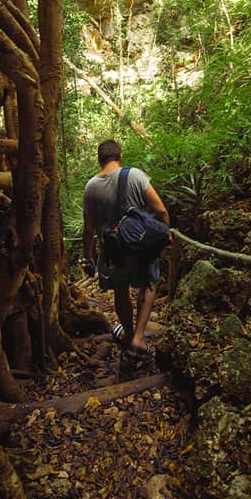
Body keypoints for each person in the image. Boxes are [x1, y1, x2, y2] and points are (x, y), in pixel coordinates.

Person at [82, 139, 170, 359]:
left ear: (99, 159)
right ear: (119, 157)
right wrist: (164, 235)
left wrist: (88, 256)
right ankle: (139, 338)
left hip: (113, 251)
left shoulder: (91, 186)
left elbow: (88, 229)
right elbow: (160, 210)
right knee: (149, 283)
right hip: (140, 244)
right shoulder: (135, 175)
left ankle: (128, 333)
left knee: (120, 290)